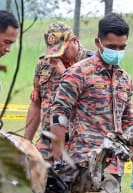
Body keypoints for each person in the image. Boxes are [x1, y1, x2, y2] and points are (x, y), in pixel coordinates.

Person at [49, 13, 133, 190]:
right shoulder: (78, 74)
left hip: (114, 166)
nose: (116, 52)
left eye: (121, 47)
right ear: (97, 43)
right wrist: (58, 159)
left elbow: (128, 123)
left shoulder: (124, 80)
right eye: (111, 46)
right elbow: (58, 115)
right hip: (82, 163)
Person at [24, 21, 91, 159]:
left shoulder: (91, 63)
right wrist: (26, 143)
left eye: (62, 50)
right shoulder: (44, 63)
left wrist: (64, 73)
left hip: (79, 147)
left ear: (74, 40)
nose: (58, 56)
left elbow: (90, 104)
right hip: (47, 146)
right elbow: (36, 103)